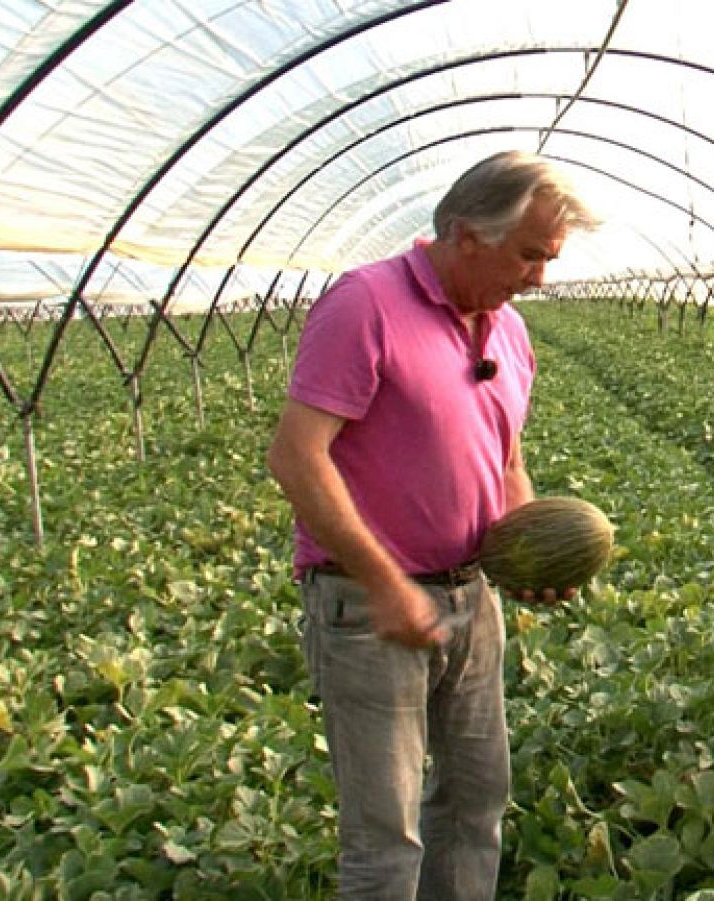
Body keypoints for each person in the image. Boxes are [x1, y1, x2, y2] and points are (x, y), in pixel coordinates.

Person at [266, 150, 596, 899]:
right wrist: (384, 583)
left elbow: (505, 459)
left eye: (550, 257)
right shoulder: (365, 303)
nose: (540, 276)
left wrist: (528, 553)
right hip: (367, 607)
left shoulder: (508, 330)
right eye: (531, 255)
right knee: (386, 837)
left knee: (476, 800)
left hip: (470, 599)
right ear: (466, 234)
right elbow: (295, 456)